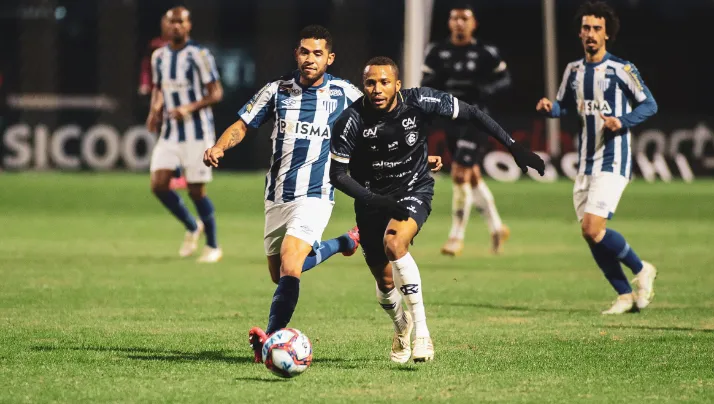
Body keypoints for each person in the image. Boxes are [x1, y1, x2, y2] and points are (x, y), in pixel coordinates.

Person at [329, 56, 544, 363]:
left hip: (413, 189)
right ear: (364, 86)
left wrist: (512, 145)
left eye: (384, 82)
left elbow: (470, 113)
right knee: (385, 283)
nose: (377, 89)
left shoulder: (419, 101)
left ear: (397, 85)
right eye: (370, 83)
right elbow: (337, 175)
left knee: (395, 243)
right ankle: (402, 326)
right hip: (371, 200)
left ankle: (423, 335)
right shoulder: (350, 120)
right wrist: (374, 200)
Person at [202, 25, 362, 362]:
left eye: (318, 53)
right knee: (281, 273)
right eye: (304, 52)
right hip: (276, 196)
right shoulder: (277, 90)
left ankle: (270, 341)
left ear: (329, 58)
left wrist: (417, 154)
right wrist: (219, 145)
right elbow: (243, 124)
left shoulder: (346, 94)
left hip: (316, 194)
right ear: (296, 54)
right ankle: (343, 243)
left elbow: (382, 123)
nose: (310, 59)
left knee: (291, 263)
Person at [536, 0, 658, 314]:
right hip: (585, 162)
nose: (591, 34)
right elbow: (564, 105)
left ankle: (642, 268)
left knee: (593, 228)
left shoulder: (622, 68)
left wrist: (623, 121)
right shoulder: (573, 71)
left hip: (614, 157)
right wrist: (552, 109)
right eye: (587, 28)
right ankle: (624, 296)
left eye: (597, 29)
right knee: (591, 235)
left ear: (607, 34)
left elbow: (649, 104)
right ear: (580, 33)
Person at [422, 3, 511, 255]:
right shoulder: (437, 52)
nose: (459, 23)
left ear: (474, 24)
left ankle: (456, 236)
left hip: (477, 119)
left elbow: (505, 80)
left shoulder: (485, 53)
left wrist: (488, 90)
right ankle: (497, 227)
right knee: (471, 176)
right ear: (449, 23)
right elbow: (426, 82)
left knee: (460, 174)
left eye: (464, 18)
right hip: (451, 120)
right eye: (455, 18)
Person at [146, 7, 223, 263]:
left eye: (181, 22)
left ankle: (213, 246)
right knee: (158, 185)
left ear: (188, 26)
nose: (176, 26)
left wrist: (188, 108)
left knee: (195, 191)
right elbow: (159, 89)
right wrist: (154, 110)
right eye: (171, 22)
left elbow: (216, 93)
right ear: (165, 26)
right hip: (170, 132)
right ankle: (192, 225)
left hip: (197, 133)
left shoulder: (199, 55)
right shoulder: (158, 56)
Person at [140, 13, 187, 190]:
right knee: (165, 134)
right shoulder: (156, 46)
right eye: (168, 23)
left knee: (180, 135)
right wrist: (145, 83)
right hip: (161, 96)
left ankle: (180, 173)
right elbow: (147, 67)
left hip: (180, 99)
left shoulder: (186, 48)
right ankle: (170, 172)